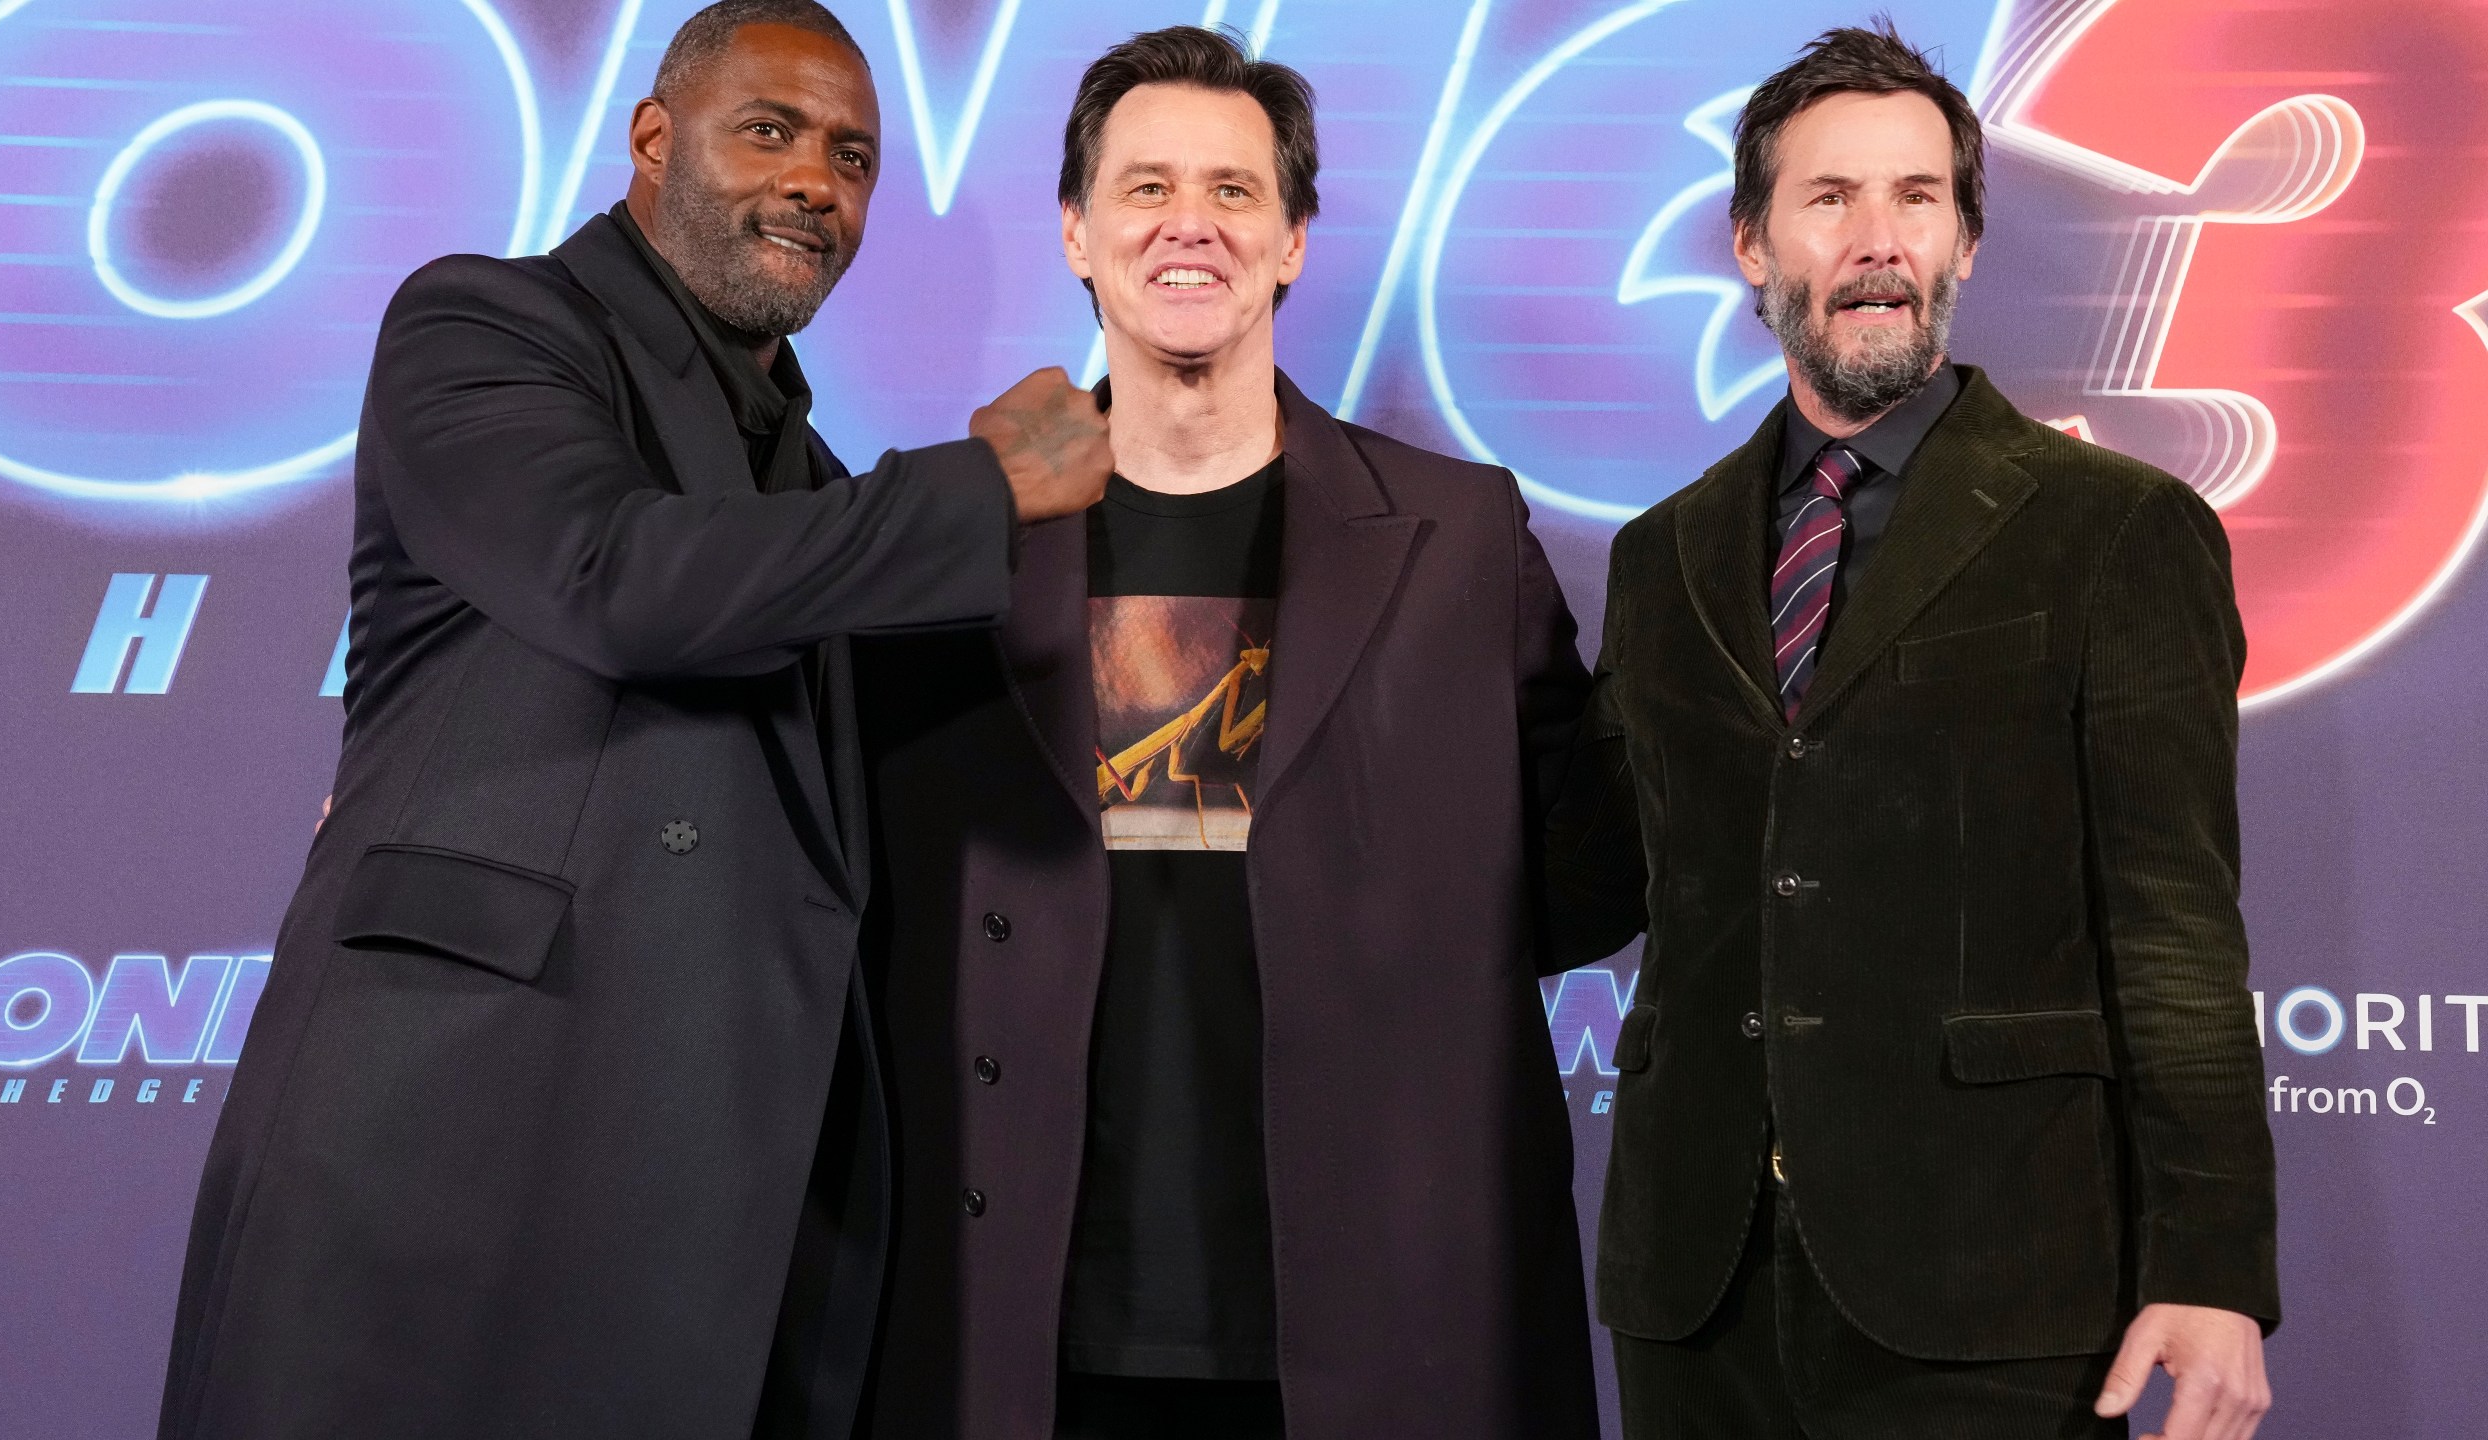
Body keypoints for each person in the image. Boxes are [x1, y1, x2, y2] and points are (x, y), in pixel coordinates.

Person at [154, 4, 1110, 1437]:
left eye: (852, 159)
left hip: (712, 1206)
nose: (815, 184)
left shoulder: (814, 477)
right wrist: (979, 484)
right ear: (654, 142)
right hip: (452, 1148)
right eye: (770, 131)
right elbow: (618, 579)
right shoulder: (486, 321)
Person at [855, 26, 1599, 1440]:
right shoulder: (939, 539)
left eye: (1234, 190)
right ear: (1076, 233)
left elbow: (1579, 874)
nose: (1188, 223)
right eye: (1143, 188)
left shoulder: (1461, 536)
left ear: (1294, 241)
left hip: (1368, 1325)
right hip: (1009, 1317)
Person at [1543, 23, 2281, 1440]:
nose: (1879, 239)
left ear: (1966, 243)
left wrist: (2213, 1267)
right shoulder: (1665, 554)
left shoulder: (2117, 535)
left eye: (1918, 198)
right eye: (1830, 200)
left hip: (1995, 1286)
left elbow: (2177, 929)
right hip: (1697, 1292)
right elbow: (1592, 881)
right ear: (1753, 244)